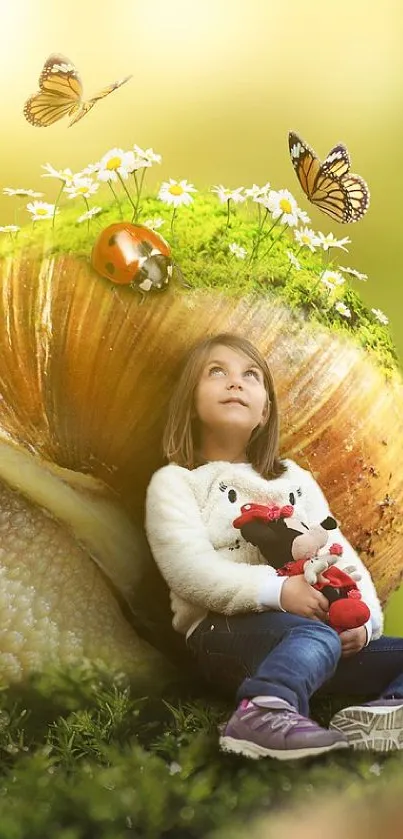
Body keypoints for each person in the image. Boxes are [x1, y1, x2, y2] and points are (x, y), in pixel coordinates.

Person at [145, 332, 403, 760]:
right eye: (216, 372)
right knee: (314, 636)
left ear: (265, 410)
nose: (235, 382)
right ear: (189, 403)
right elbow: (189, 571)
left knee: (347, 641)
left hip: (318, 638)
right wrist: (279, 591)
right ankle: (264, 709)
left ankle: (386, 716)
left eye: (250, 375)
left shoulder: (294, 480)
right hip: (222, 633)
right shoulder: (178, 482)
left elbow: (344, 558)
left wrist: (364, 625)